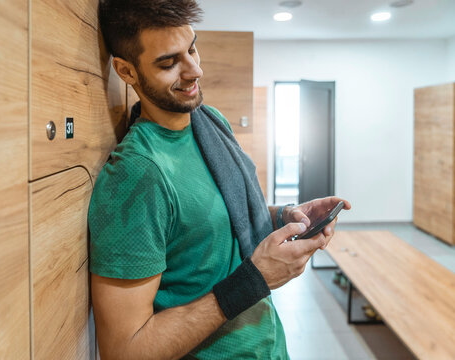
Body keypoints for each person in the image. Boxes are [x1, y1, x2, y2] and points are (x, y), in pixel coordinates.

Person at [88, 1, 351, 359]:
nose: (194, 70)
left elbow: (218, 219)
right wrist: (253, 281)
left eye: (192, 48)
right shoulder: (138, 173)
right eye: (169, 62)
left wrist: (283, 217)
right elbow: (125, 349)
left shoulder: (209, 122)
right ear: (126, 71)